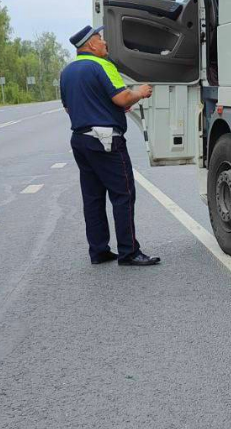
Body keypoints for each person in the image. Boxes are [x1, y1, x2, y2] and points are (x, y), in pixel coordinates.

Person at [60, 25, 161, 267]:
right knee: (123, 194)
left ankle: (99, 250)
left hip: (81, 140)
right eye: (101, 39)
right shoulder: (103, 66)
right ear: (91, 45)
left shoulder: (67, 71)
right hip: (106, 140)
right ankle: (129, 252)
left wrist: (105, 109)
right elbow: (122, 97)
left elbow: (69, 107)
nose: (105, 43)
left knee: (93, 197)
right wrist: (140, 92)